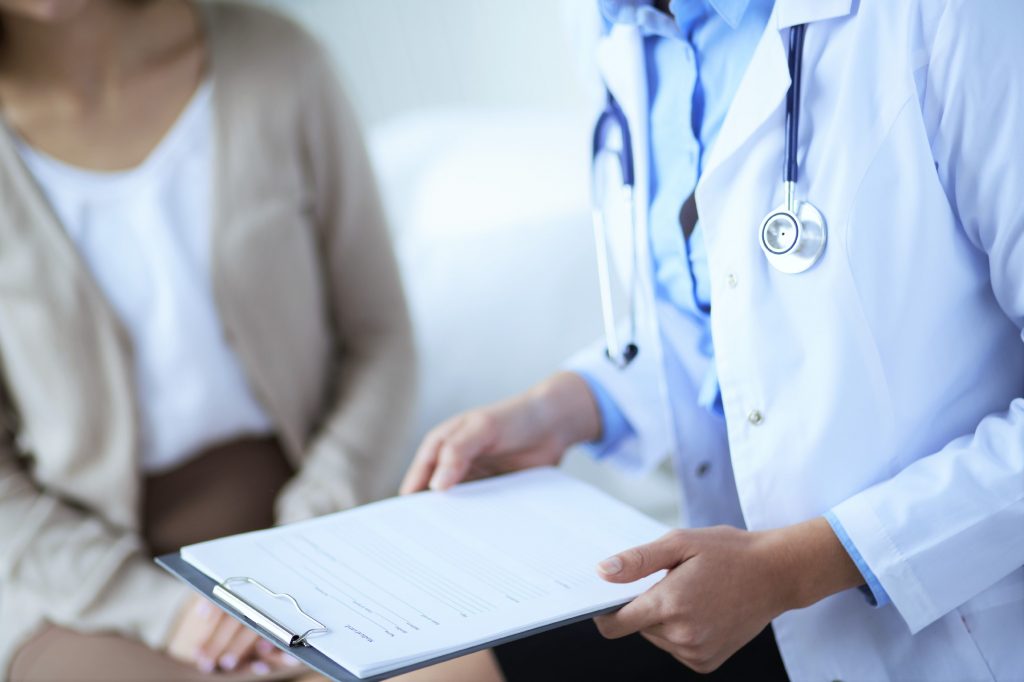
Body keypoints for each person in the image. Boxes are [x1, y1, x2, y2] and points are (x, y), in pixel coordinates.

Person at [399, 0, 1024, 679]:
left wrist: (794, 569)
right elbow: (719, 316)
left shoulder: (952, 16)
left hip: (944, 626)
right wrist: (568, 405)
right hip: (732, 601)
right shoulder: (612, 24)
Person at [0, 1, 414, 680]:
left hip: (316, 522)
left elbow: (381, 340)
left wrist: (311, 541)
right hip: (79, 584)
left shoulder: (279, 64)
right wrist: (166, 612)